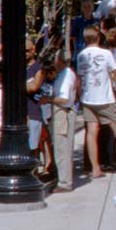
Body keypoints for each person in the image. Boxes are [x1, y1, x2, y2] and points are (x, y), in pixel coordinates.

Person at [77, 27, 116, 177]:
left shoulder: (81, 55)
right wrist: (113, 81)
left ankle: (95, 167)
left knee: (91, 132)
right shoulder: (106, 53)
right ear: (99, 38)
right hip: (105, 98)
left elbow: (80, 77)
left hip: (88, 98)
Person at [48, 52, 77, 191]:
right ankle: (62, 178)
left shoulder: (66, 76)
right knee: (60, 148)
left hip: (62, 112)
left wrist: (48, 99)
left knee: (62, 149)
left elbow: (64, 99)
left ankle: (65, 182)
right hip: (61, 112)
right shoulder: (64, 74)